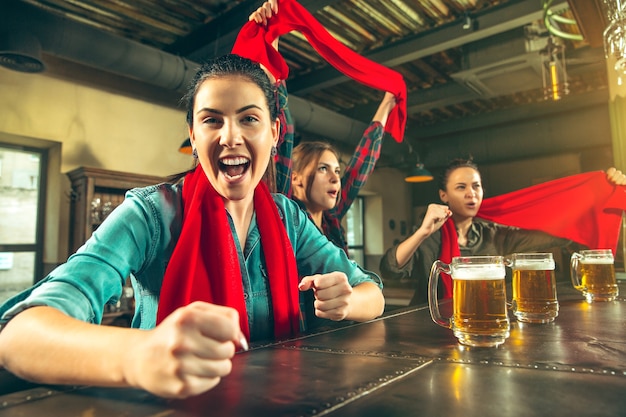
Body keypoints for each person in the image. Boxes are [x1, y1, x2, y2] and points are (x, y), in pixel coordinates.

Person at [0, 54, 385, 399]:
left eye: (249, 119)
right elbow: (19, 337)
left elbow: (373, 292)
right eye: (211, 120)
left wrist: (348, 300)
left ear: (274, 133)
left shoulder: (289, 218)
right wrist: (140, 354)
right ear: (193, 135)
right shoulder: (151, 214)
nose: (230, 137)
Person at [249, 0, 397, 254]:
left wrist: (388, 103)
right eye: (323, 169)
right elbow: (284, 133)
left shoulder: (332, 220)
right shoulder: (284, 213)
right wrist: (270, 42)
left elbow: (360, 168)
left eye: (337, 171)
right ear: (294, 179)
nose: (335, 178)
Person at [379, 157, 626, 305]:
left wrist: (600, 196)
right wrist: (422, 231)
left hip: (485, 321)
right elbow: (390, 269)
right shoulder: (429, 235)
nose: (470, 194)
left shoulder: (494, 234)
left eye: (476, 186)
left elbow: (556, 234)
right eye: (461, 187)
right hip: (429, 324)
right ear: (444, 195)